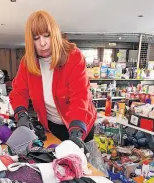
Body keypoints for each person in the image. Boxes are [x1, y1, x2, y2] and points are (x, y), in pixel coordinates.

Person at [9, 10, 97, 149]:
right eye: (36, 38)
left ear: (54, 34)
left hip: (79, 125)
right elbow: (19, 91)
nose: (42, 43)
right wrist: (21, 116)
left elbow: (80, 96)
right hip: (51, 125)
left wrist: (76, 132)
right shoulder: (27, 62)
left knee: (81, 166)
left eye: (47, 36)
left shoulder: (73, 56)